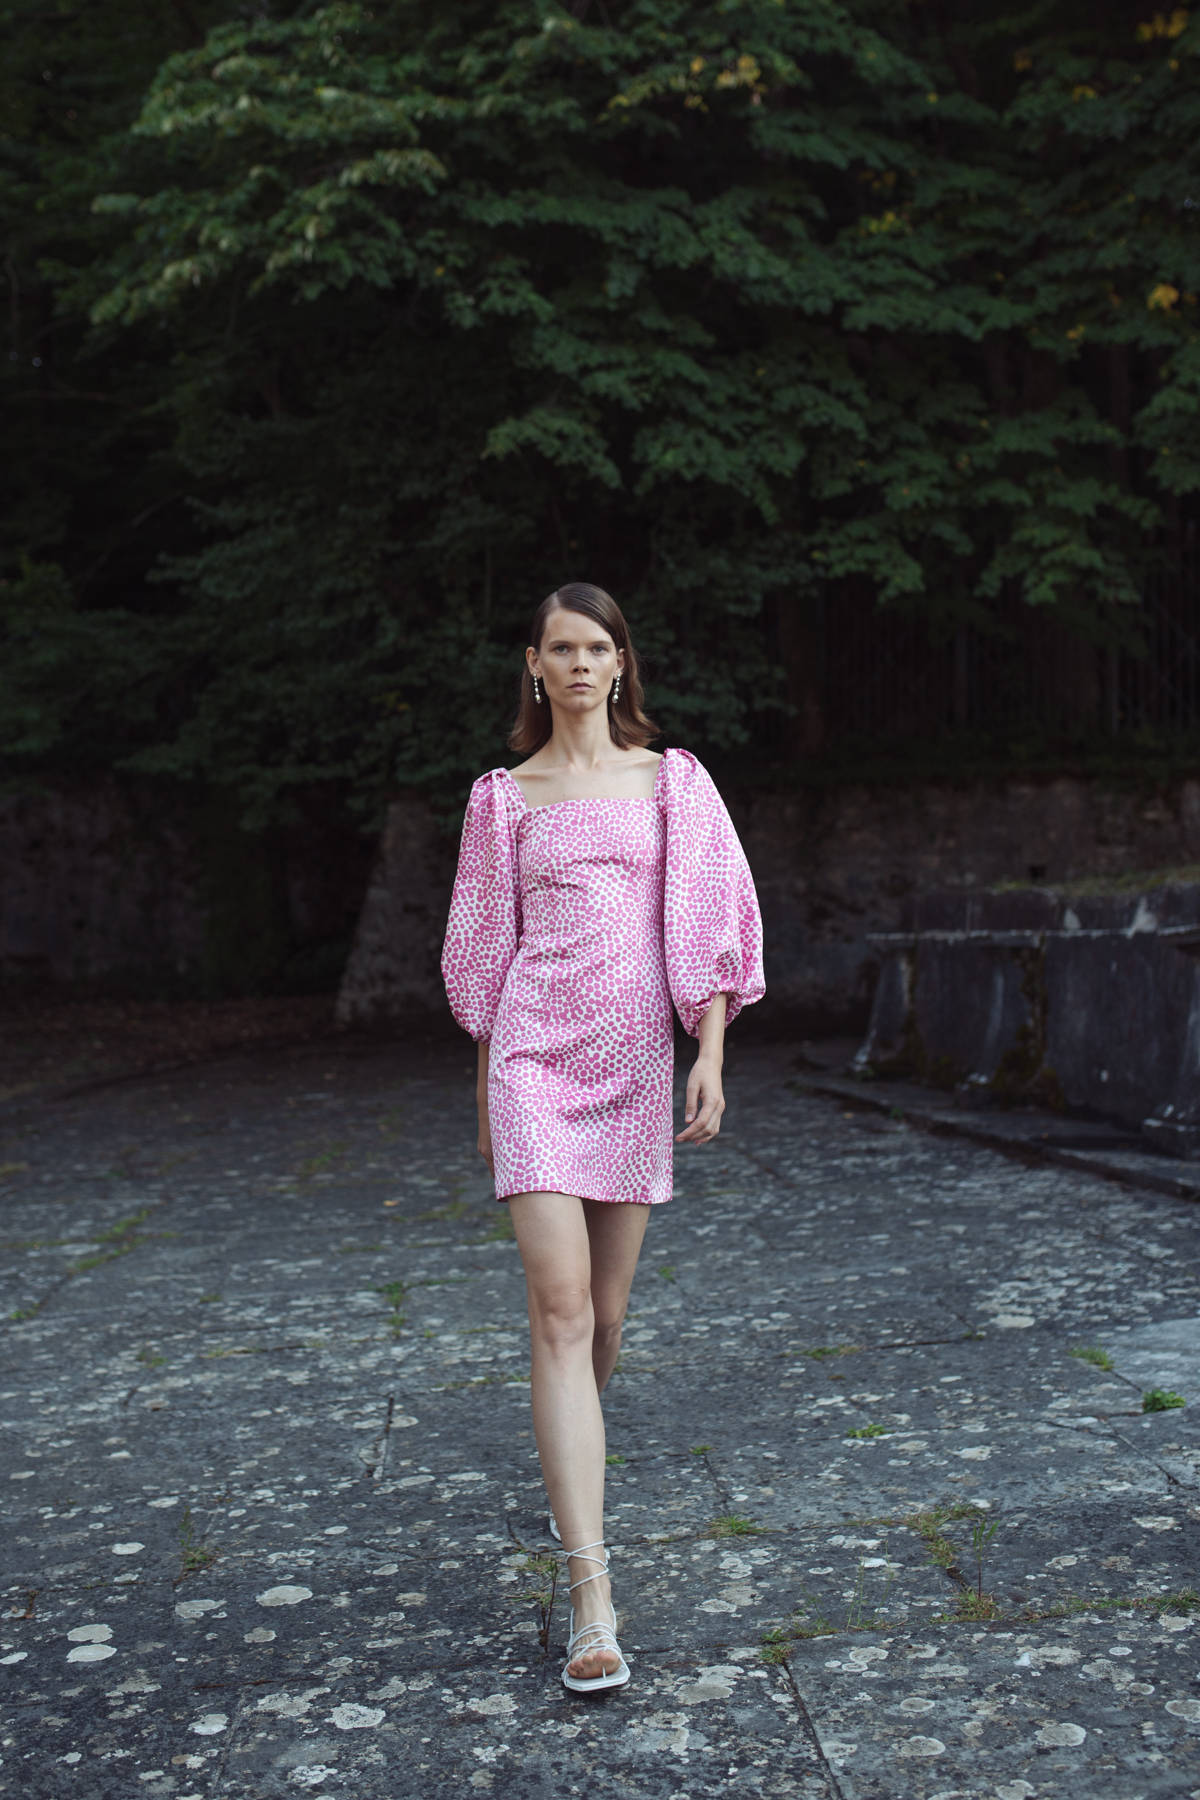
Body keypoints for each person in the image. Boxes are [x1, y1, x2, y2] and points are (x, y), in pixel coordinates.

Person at [441, 582, 764, 1693]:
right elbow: (484, 954)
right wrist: (486, 1094)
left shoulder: (673, 782)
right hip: (532, 1061)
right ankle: (592, 1594)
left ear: (621, 663)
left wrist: (709, 1053)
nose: (580, 664)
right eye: (561, 648)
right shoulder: (501, 798)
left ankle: (565, 1448)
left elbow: (711, 916)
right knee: (561, 1309)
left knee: (605, 1318)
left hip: (631, 1067)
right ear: (532, 666)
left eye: (598, 646)